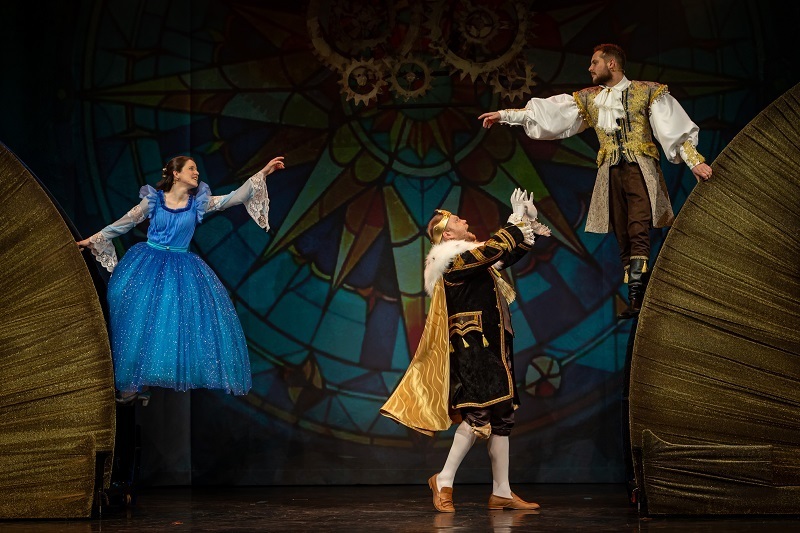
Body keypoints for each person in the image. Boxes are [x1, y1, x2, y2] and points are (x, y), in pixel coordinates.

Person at [479, 43, 713, 319]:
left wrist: (694, 161)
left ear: (611, 63)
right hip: (610, 172)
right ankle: (637, 293)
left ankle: (636, 291)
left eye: (595, 63)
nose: (590, 68)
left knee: (638, 226)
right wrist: (505, 116)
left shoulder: (647, 91)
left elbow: (671, 128)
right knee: (622, 231)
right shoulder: (590, 99)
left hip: (639, 168)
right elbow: (550, 115)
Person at [381, 189, 550, 513]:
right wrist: (515, 220)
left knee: (501, 416)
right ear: (447, 234)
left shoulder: (471, 258)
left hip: (493, 344)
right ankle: (443, 480)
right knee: (478, 415)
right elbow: (495, 249)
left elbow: (504, 254)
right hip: (474, 348)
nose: (466, 222)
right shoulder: (450, 261)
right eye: (459, 220)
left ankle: (502, 491)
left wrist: (527, 222)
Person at [77, 155, 285, 400]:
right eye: (191, 168)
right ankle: (129, 386)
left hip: (180, 268)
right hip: (148, 263)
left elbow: (234, 198)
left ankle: (141, 382)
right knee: (139, 319)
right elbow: (124, 223)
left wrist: (263, 172)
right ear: (176, 174)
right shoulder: (153, 200)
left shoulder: (198, 203)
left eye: (196, 169)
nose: (196, 173)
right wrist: (92, 240)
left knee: (167, 323)